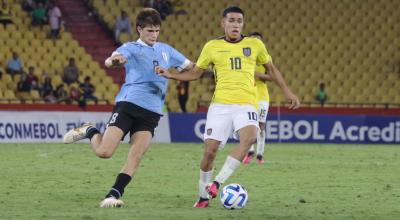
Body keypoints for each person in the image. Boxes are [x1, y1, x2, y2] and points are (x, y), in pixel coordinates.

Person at [156, 6, 300, 208]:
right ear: (222, 23)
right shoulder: (212, 46)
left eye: (239, 21)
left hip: (247, 104)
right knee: (210, 152)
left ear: (243, 24)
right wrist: (171, 74)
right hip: (220, 105)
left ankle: (217, 182)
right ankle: (203, 196)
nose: (235, 24)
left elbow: (271, 69)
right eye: (231, 20)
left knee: (250, 137)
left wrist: (287, 91)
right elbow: (196, 72)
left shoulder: (255, 44)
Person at [63, 8, 192, 208]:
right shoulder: (131, 48)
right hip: (128, 105)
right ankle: (90, 130)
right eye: (149, 30)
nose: (154, 35)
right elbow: (111, 59)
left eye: (157, 30)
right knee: (104, 153)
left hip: (152, 112)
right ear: (139, 29)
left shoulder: (167, 50)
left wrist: (206, 67)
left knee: (136, 154)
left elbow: (191, 67)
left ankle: (113, 195)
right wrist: (115, 61)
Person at [242, 32, 272, 165]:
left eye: (258, 40)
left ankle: (260, 154)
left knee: (261, 125)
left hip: (262, 97)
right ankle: (250, 151)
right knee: (248, 124)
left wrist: (257, 74)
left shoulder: (266, 58)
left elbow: (271, 77)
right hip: (248, 95)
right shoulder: (243, 57)